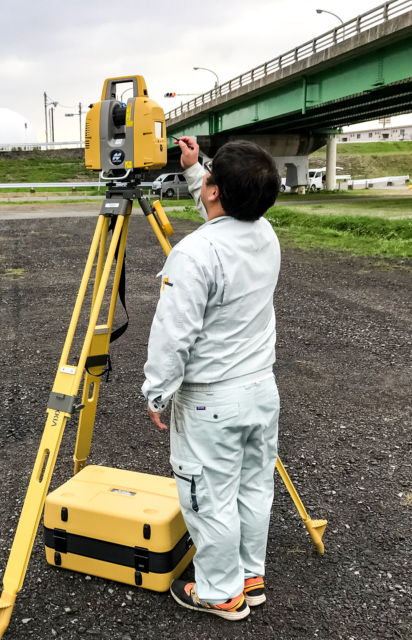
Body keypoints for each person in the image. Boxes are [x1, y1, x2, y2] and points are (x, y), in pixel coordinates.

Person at [142, 137, 282, 620]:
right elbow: (224, 216)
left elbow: (172, 334)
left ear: (216, 190)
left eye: (208, 180)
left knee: (209, 498)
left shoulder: (194, 253)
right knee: (253, 488)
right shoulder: (265, 233)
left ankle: (220, 593)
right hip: (260, 390)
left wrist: (157, 392)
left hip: (210, 401)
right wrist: (193, 168)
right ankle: (249, 576)